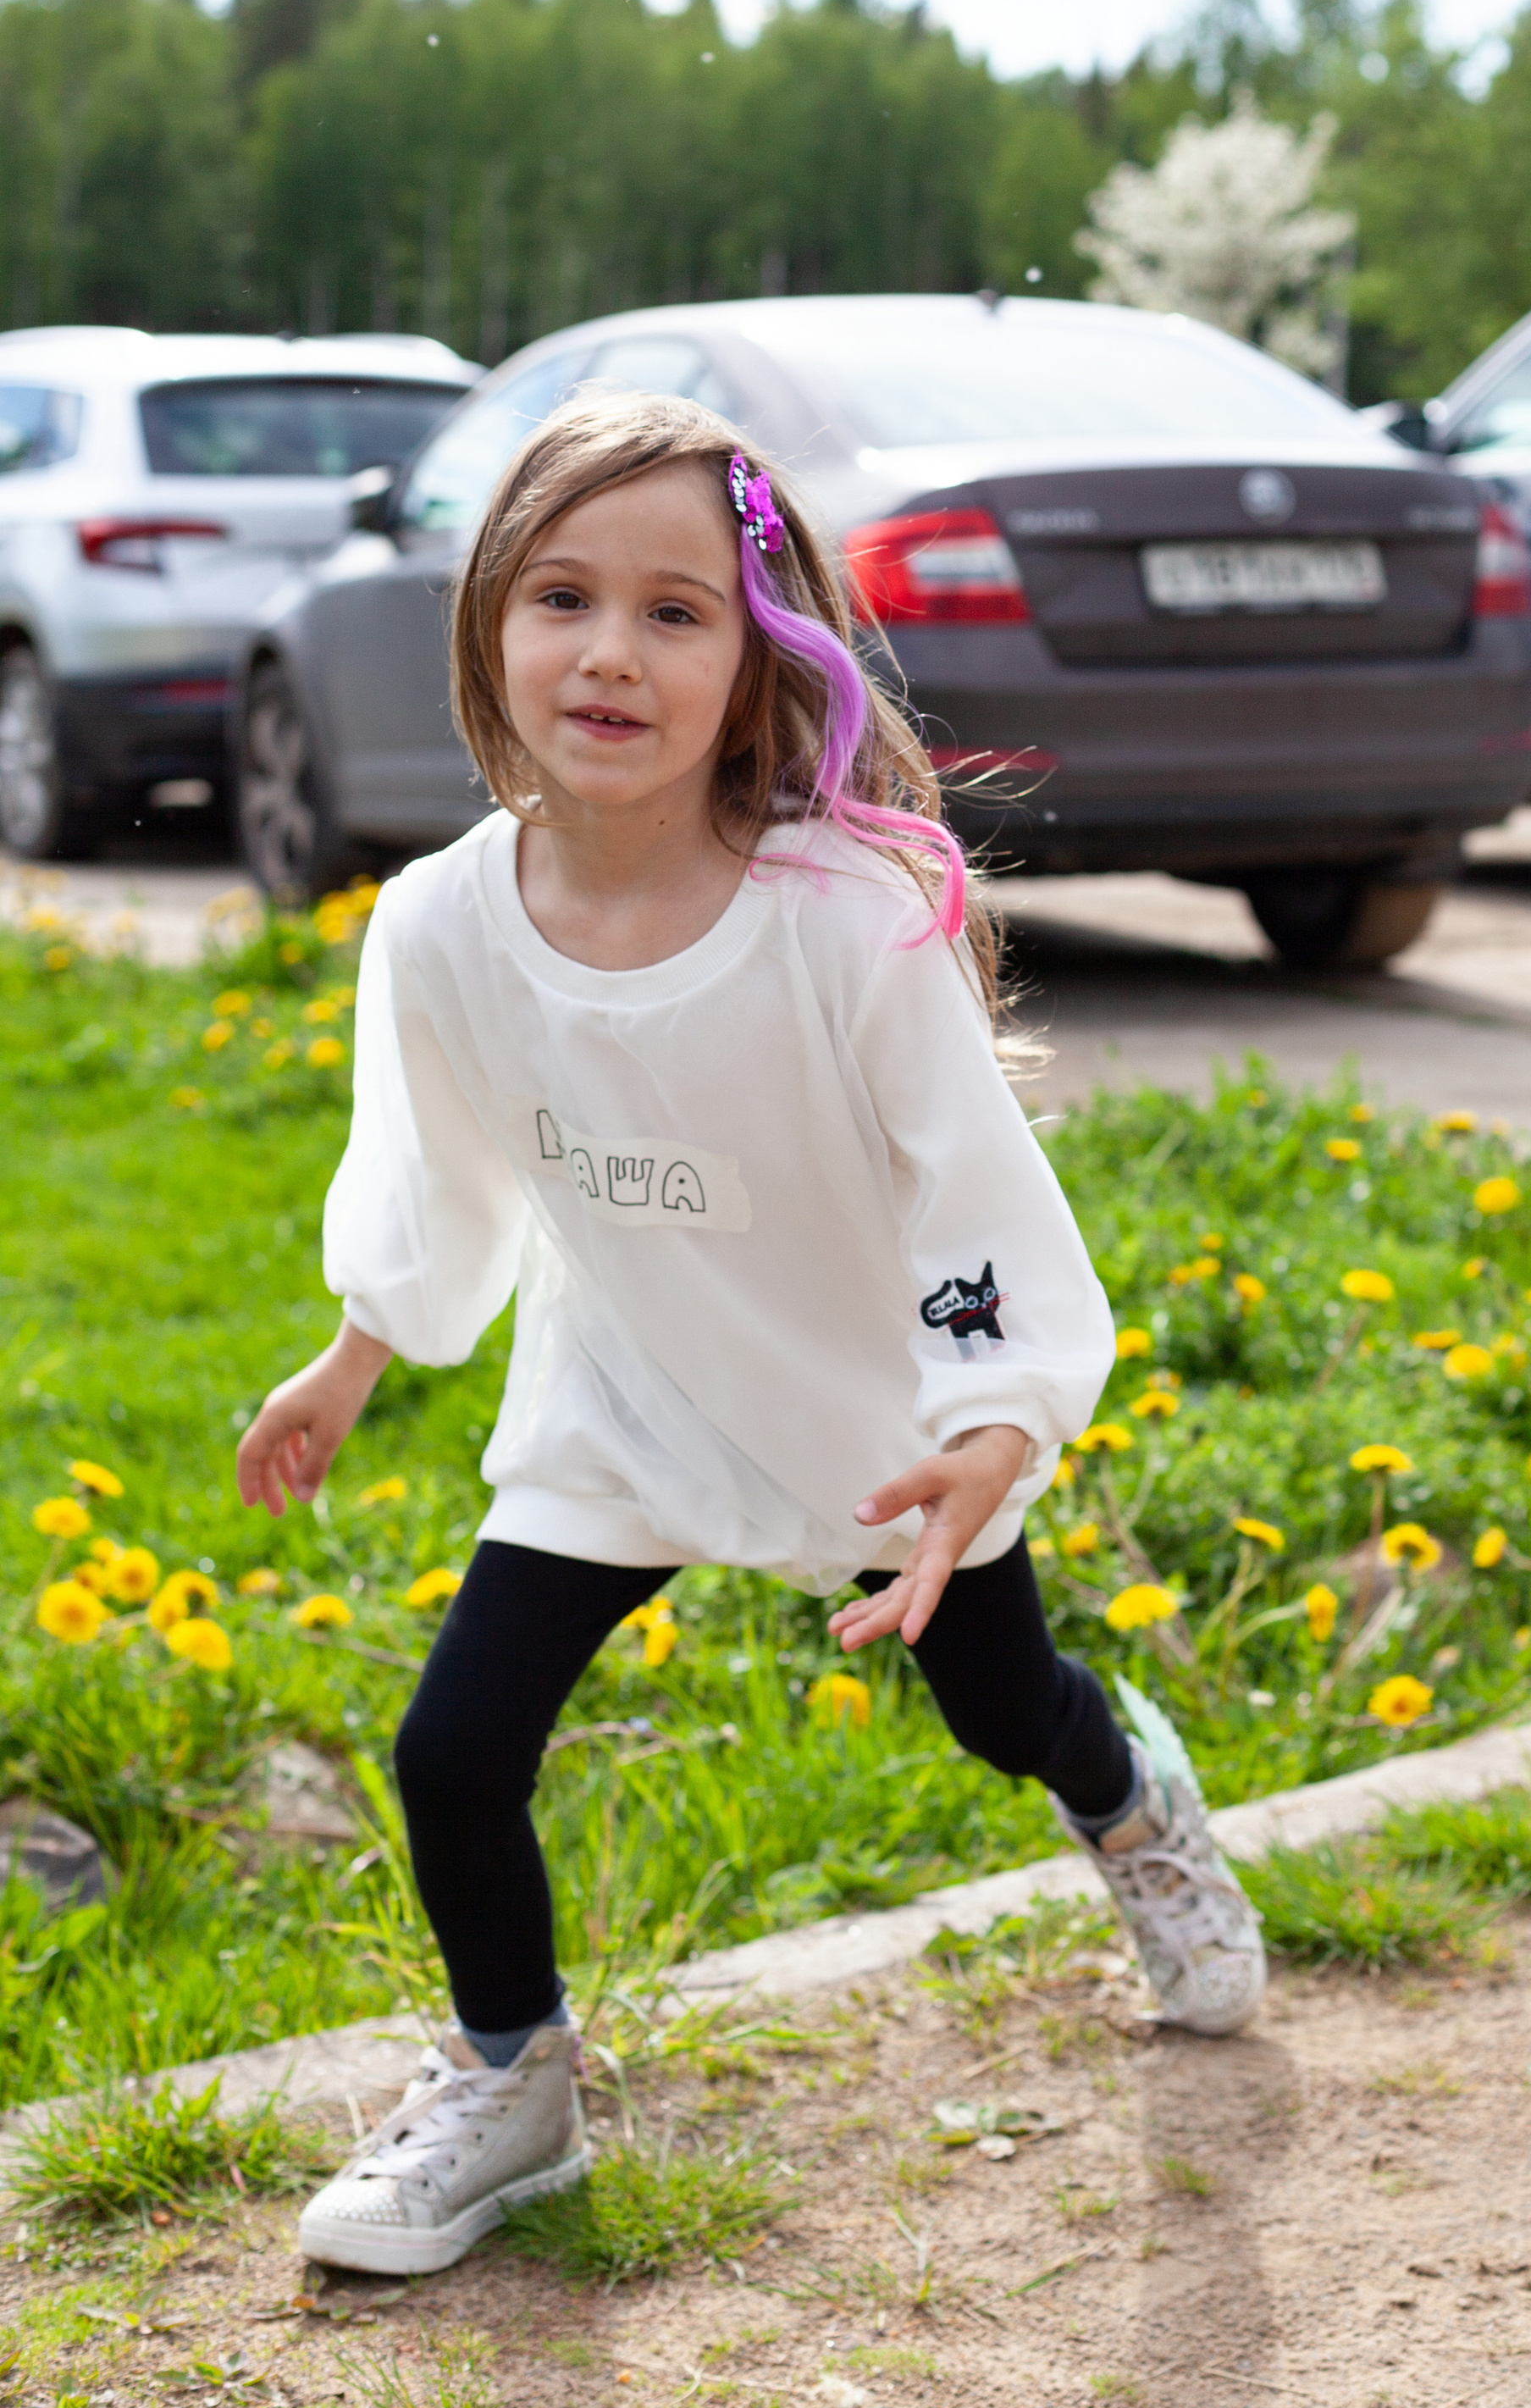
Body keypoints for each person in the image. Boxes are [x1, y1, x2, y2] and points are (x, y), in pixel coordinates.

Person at [235, 389, 1266, 2277]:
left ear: (758, 654)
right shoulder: (440, 923)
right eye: (562, 597)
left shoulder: (845, 916)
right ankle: (510, 2077)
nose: (609, 654)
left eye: (675, 612)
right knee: (452, 1752)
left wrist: (994, 1421)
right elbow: (438, 1166)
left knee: (1003, 1712)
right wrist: (359, 1346)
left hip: (878, 1422)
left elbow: (966, 1191)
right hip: (620, 1403)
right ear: (488, 623)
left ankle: (1130, 1806)